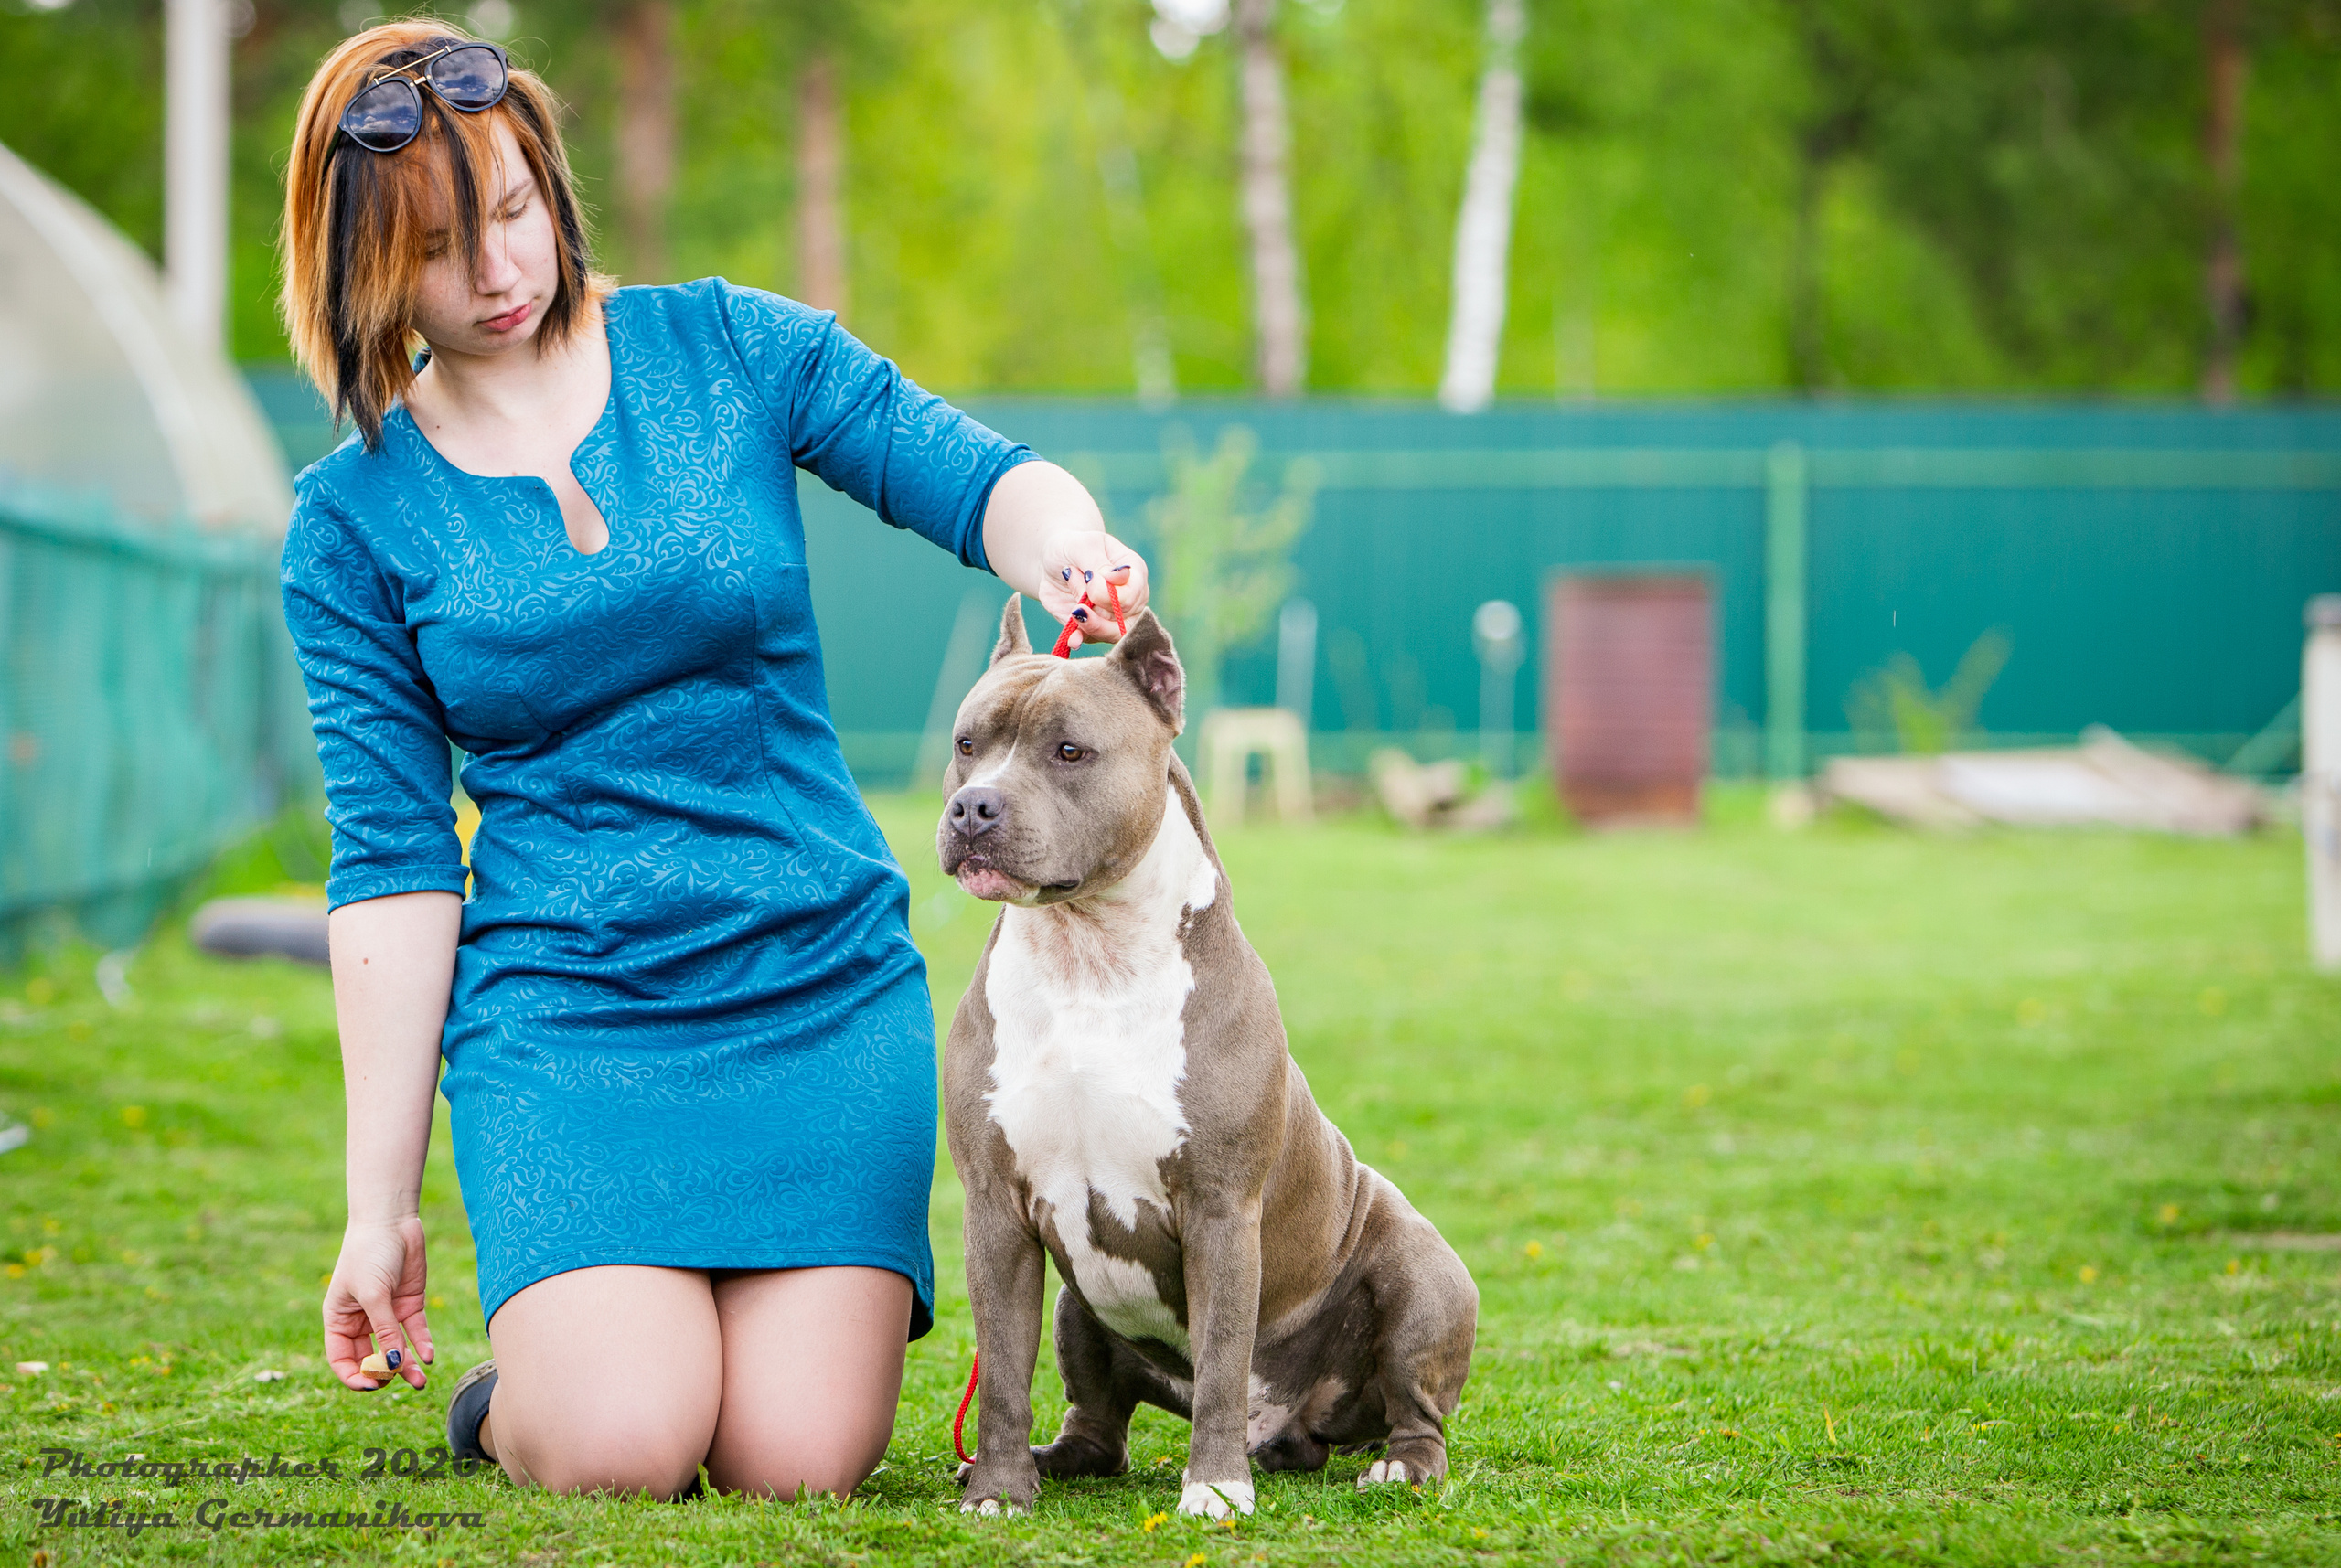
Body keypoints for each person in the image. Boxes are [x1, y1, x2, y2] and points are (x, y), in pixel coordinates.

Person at [276, 21, 1149, 1502]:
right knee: (623, 1447)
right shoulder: (349, 522)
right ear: (364, 270)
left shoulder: (727, 347)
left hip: (815, 986)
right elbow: (395, 869)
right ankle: (526, 1392)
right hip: (567, 1018)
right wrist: (379, 1206)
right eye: (435, 247)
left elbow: (970, 472)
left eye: (509, 212)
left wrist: (1066, 541)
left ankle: (625, 1346)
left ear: (549, 182)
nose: (495, 269)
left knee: (795, 1463)